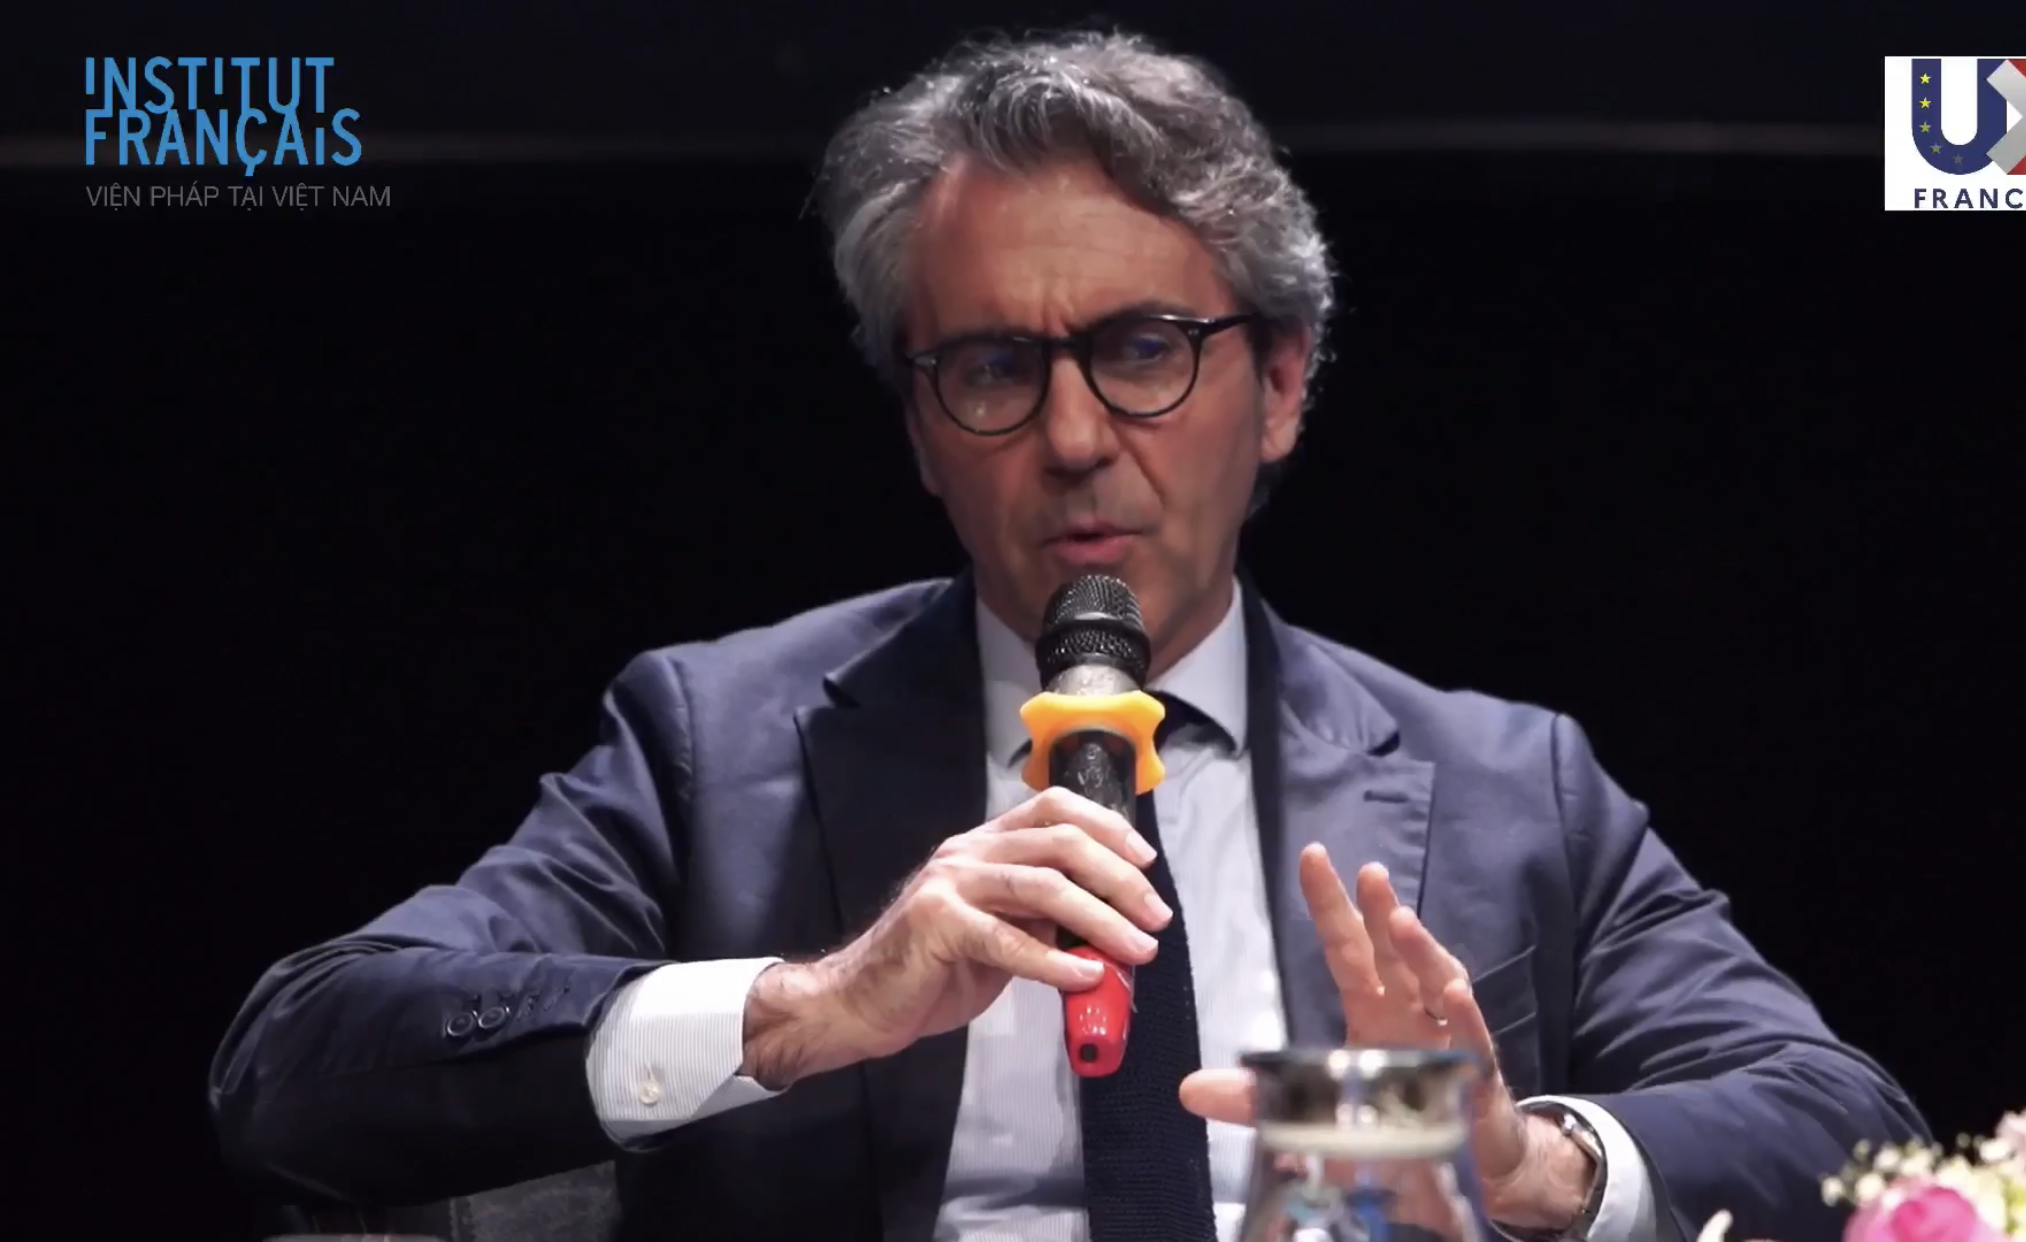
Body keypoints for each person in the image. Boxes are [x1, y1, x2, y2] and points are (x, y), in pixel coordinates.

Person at [209, 29, 1926, 1242]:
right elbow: (298, 1062)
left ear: (1281, 386)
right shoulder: (715, 746)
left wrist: (1521, 1159)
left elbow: (1845, 1120)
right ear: (919, 427)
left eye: (1145, 348)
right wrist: (811, 1004)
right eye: (993, 368)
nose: (1077, 435)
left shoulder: (1503, 781)